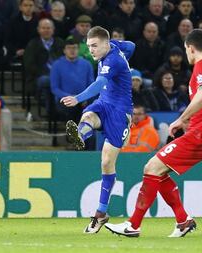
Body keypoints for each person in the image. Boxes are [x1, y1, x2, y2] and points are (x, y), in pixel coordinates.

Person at [105, 29, 202, 238]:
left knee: (151, 167)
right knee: (158, 171)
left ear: (190, 48)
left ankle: (133, 224)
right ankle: (183, 220)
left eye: (186, 50)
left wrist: (182, 119)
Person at [60, 26, 135, 233]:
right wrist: (122, 48)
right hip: (104, 103)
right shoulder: (117, 48)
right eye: (89, 46)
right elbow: (132, 46)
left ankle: (101, 213)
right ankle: (81, 135)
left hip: (120, 112)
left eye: (94, 46)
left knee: (106, 162)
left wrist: (77, 98)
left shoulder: (113, 60)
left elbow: (99, 81)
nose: (91, 50)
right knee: (88, 116)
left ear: (105, 44)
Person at [50, 38, 94, 124]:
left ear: (78, 49)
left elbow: (91, 84)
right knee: (72, 109)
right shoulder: (57, 65)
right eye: (69, 48)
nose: (72, 50)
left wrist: (83, 97)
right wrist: (72, 98)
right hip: (64, 101)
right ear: (64, 50)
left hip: (84, 100)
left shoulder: (87, 64)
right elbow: (55, 88)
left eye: (74, 48)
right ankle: (73, 136)